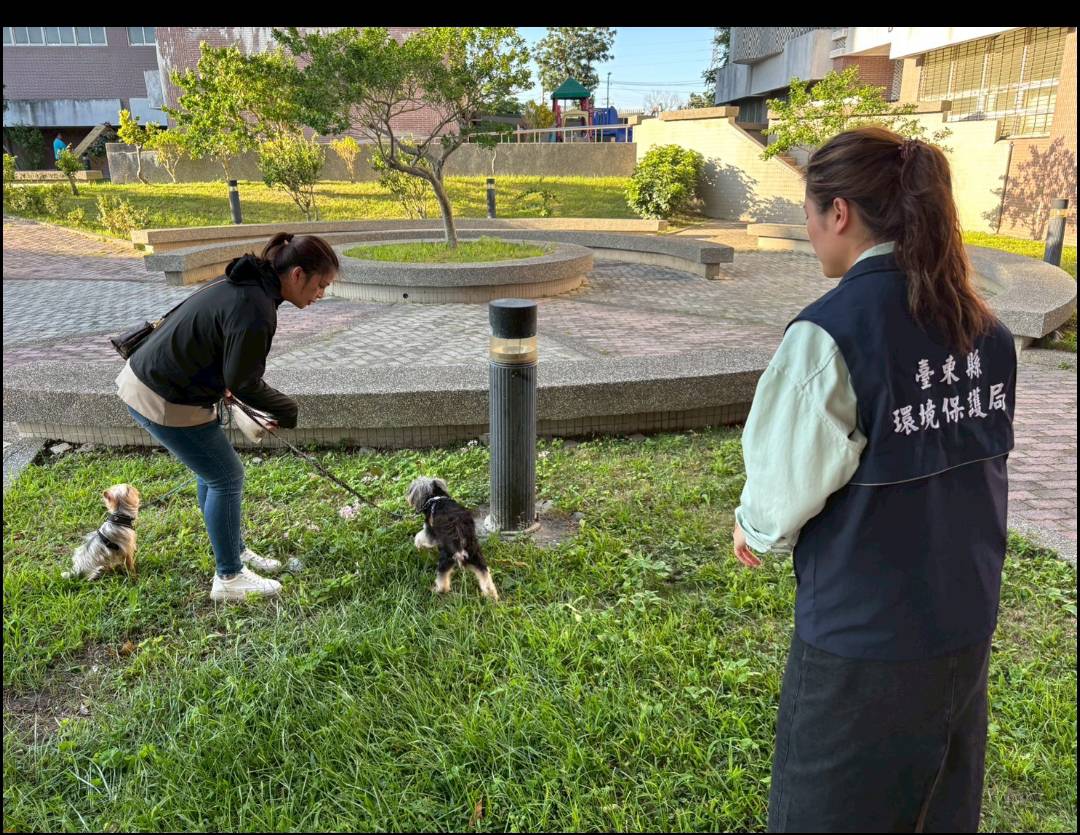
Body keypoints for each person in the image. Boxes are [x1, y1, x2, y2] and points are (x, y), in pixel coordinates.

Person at [732, 126, 1017, 832]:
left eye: (808, 210)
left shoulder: (829, 335)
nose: (807, 228)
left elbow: (778, 491)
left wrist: (754, 527)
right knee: (938, 811)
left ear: (840, 214)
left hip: (862, 652)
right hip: (962, 627)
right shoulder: (988, 331)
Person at [117, 233, 340, 602]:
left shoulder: (250, 283)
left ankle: (233, 552)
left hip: (156, 381)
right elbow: (244, 381)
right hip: (161, 395)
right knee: (226, 476)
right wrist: (288, 409)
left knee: (214, 473)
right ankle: (230, 577)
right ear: (298, 274)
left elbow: (227, 362)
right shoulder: (256, 306)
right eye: (320, 285)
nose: (321, 295)